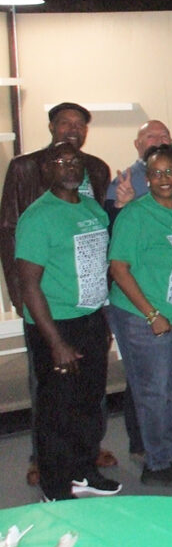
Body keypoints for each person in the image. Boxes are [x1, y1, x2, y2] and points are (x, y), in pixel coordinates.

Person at [6, 104, 113, 487]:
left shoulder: (92, 207)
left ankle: (84, 471)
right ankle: (54, 484)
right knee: (55, 407)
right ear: (47, 170)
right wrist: (53, 340)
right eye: (61, 163)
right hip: (54, 320)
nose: (70, 167)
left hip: (91, 317)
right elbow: (28, 277)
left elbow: (99, 260)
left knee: (89, 401)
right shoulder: (37, 214)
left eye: (74, 163)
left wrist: (103, 318)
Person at [107, 145, 172, 486]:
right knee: (152, 392)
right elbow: (119, 269)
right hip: (143, 317)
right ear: (147, 178)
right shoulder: (135, 214)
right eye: (156, 173)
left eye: (170, 172)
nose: (164, 178)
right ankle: (157, 463)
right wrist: (152, 315)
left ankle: (171, 455)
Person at [104, 119, 172, 222]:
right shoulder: (123, 183)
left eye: (164, 136)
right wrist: (121, 204)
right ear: (137, 144)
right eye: (151, 136)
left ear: (171, 142)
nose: (159, 141)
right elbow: (109, 223)